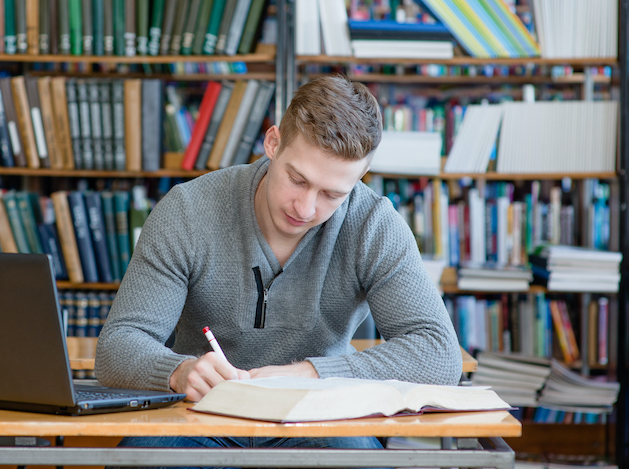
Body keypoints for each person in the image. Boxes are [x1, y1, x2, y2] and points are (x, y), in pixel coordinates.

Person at [95, 75, 462, 459]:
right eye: (296, 179)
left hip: (320, 416)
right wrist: (178, 372)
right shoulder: (187, 211)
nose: (305, 208)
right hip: (199, 413)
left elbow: (439, 354)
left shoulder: (374, 225)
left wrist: (311, 375)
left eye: (332, 194)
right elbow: (117, 347)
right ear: (273, 143)